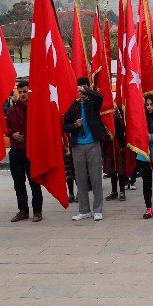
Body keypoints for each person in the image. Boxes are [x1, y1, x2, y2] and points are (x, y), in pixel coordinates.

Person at [63, 77, 107, 221]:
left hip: (93, 143)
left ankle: (98, 209)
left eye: (84, 88)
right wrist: (75, 125)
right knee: (80, 178)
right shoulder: (72, 105)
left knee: (95, 178)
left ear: (88, 88)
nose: (81, 90)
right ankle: (84, 210)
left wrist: (86, 90)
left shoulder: (93, 102)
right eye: (79, 88)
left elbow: (100, 97)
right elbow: (64, 126)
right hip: (77, 145)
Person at [6, 81, 43, 222]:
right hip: (15, 151)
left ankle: (37, 211)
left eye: (25, 91)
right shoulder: (10, 110)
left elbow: (31, 116)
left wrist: (18, 103)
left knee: (34, 182)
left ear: (29, 92)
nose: (22, 94)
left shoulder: (34, 108)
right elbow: (5, 126)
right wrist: (12, 134)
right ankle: (23, 210)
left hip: (30, 151)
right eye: (20, 92)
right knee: (18, 184)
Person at [103, 108, 129, 202]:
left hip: (119, 145)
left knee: (121, 170)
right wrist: (107, 137)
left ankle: (122, 191)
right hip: (109, 146)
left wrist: (117, 116)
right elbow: (102, 131)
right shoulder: (104, 114)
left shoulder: (119, 113)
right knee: (112, 170)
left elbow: (124, 127)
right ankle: (114, 191)